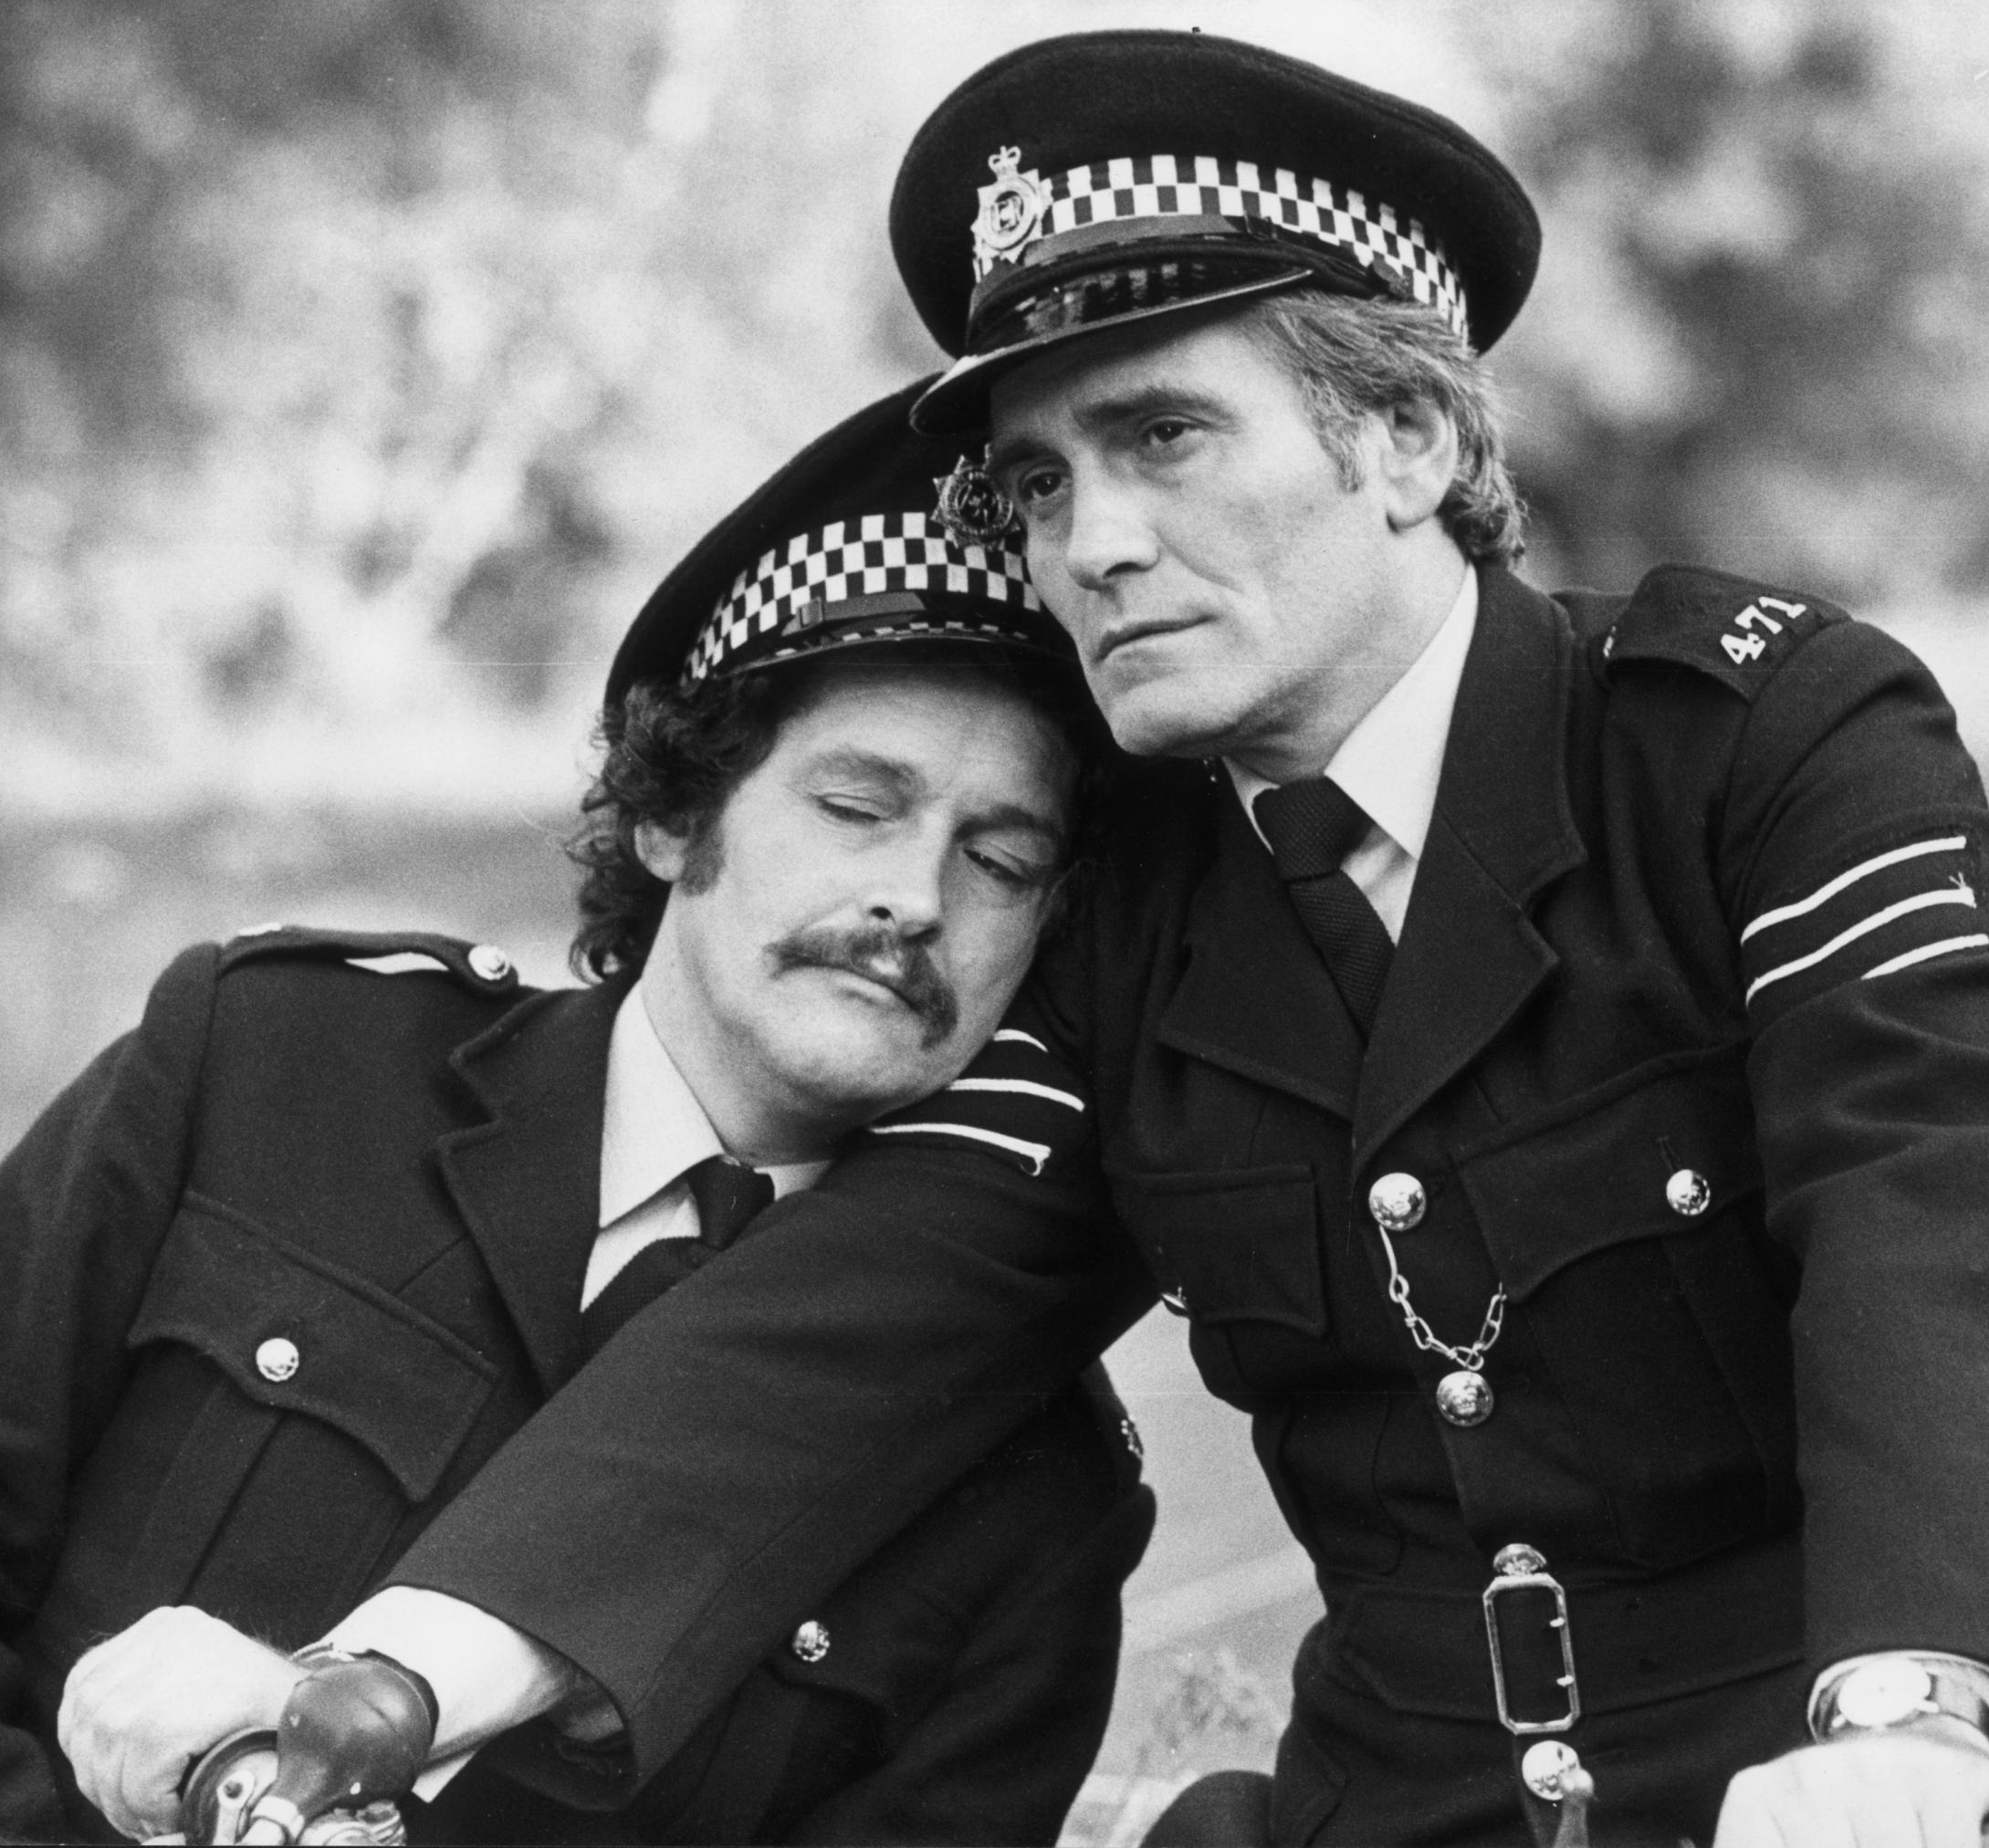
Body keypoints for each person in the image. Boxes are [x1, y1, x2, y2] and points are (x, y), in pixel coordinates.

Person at [58, 29, 1989, 1848]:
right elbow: (846, 1329)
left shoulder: (1744, 740)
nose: (1088, 542)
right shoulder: (1131, 909)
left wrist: (1907, 1712)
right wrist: (378, 1682)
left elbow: (1946, 1190)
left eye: (1163, 436)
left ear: (1406, 436)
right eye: (1035, 483)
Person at [5, 381, 1155, 1845]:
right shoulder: (266, 1070)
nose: (914, 898)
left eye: (999, 861)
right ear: (674, 813)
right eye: (858, 806)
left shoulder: (1033, 1489)